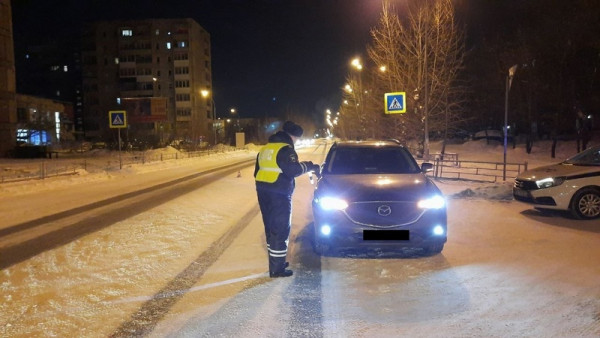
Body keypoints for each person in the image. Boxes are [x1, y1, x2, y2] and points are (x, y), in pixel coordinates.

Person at [254, 121, 320, 278]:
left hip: (264, 192)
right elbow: (293, 170)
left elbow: (256, 171)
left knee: (271, 228)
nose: (296, 141)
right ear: (293, 136)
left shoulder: (265, 148)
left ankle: (276, 262)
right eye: (297, 138)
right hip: (279, 194)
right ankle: (277, 270)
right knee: (281, 228)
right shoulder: (285, 149)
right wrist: (310, 166)